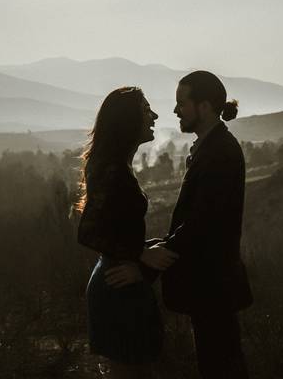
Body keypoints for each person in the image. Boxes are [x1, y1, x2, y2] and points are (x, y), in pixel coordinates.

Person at [76, 86, 179, 379]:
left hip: (120, 279)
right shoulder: (112, 170)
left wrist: (148, 249)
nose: (155, 115)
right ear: (127, 120)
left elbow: (117, 231)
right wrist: (141, 253)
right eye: (147, 110)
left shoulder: (117, 166)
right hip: (116, 284)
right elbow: (89, 232)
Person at [156, 71, 253, 378]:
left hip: (214, 285)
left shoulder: (220, 153)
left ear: (205, 106)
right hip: (210, 286)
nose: (175, 111)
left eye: (181, 103)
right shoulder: (210, 148)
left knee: (221, 367)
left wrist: (157, 253)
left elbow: (202, 223)